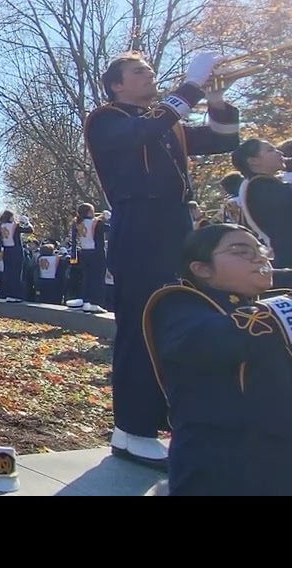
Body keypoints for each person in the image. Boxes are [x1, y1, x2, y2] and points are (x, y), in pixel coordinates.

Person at [84, 49, 240, 467]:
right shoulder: (106, 118)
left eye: (151, 70)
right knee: (141, 324)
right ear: (117, 84)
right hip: (139, 222)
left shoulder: (165, 123)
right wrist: (190, 86)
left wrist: (217, 100)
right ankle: (133, 427)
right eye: (139, 71)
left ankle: (149, 424)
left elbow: (224, 140)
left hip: (175, 223)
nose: (150, 75)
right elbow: (140, 132)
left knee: (175, 322)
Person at [143, 224, 292, 495]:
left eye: (259, 249)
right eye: (241, 251)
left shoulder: (251, 299)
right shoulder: (177, 303)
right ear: (202, 269)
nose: (259, 258)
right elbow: (213, 341)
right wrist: (282, 310)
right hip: (219, 468)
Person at [233, 139, 291, 267]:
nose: (280, 152)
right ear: (253, 161)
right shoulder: (261, 188)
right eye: (270, 150)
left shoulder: (258, 185)